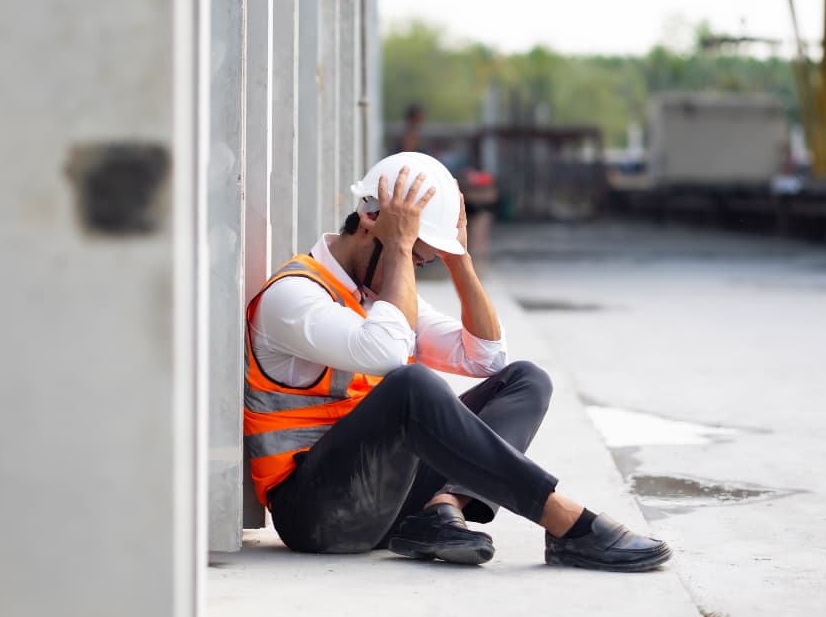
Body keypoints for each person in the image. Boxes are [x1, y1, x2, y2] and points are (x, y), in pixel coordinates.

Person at [244, 152, 671, 570]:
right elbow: (389, 353)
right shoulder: (293, 294)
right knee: (412, 385)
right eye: (415, 257)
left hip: (387, 496)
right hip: (317, 514)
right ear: (370, 221)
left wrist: (459, 260)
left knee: (526, 379)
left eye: (421, 260)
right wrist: (399, 249)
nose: (410, 270)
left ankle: (442, 506)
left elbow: (485, 357)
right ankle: (564, 520)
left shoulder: (377, 293)